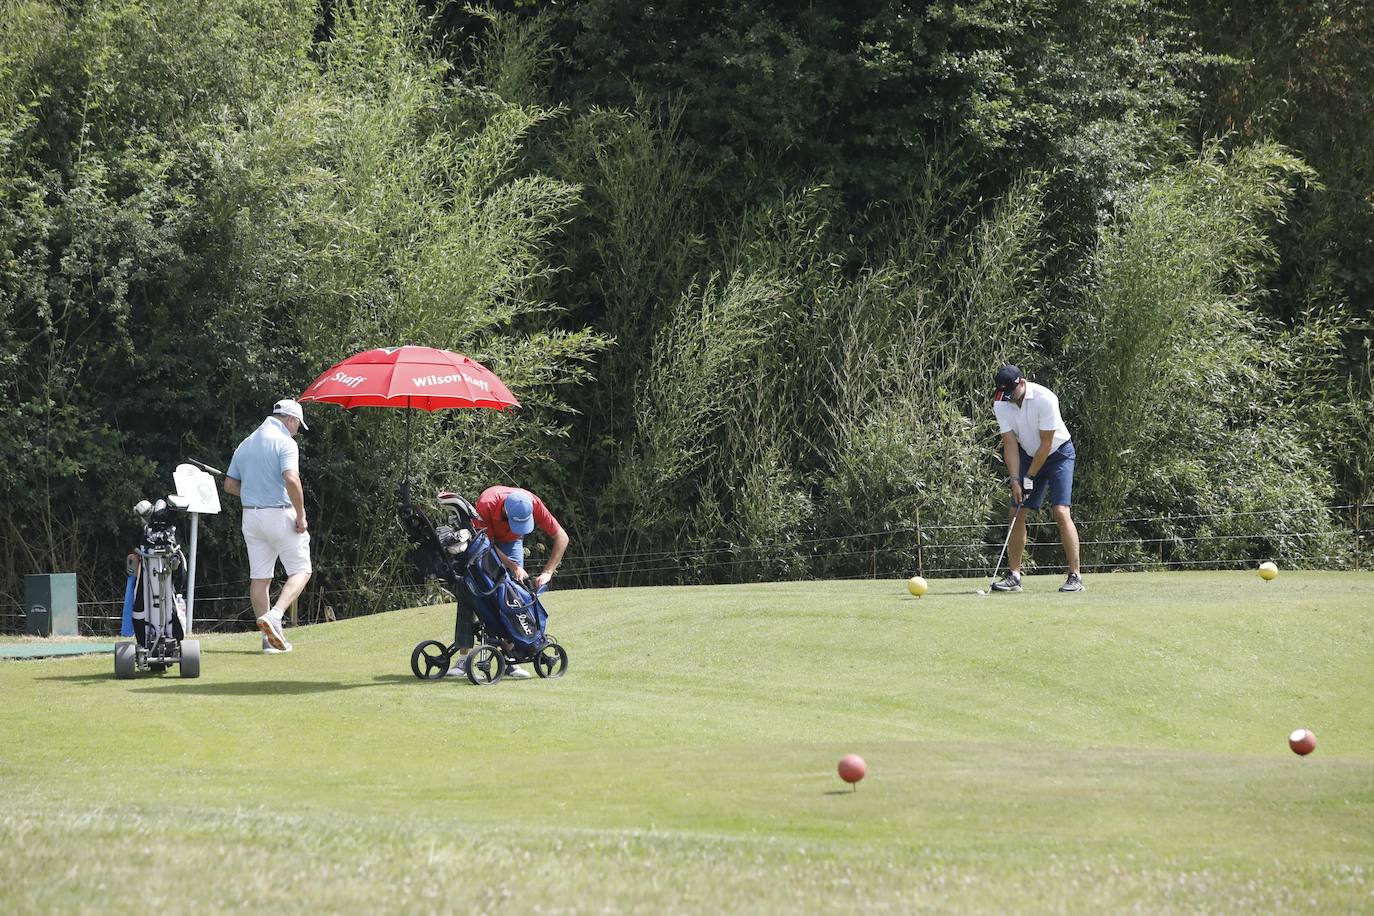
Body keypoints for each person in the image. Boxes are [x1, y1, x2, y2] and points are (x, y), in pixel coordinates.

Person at [449, 485, 568, 679]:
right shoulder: (486, 504)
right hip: (484, 543)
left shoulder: (533, 504)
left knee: (513, 596)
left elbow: (562, 537)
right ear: (505, 510)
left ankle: (510, 659)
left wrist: (548, 572)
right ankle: (464, 658)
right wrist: (514, 567)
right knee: (471, 591)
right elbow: (485, 546)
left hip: (512, 544)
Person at [223, 398, 313, 652]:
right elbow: (291, 479)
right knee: (302, 569)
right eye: (298, 425)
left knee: (260, 578)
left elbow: (230, 485)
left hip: (251, 517)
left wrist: (254, 492)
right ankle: (275, 615)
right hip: (279, 514)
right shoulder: (285, 442)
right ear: (291, 419)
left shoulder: (246, 443)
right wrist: (301, 514)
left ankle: (269, 641)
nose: (297, 430)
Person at [990, 365, 1083, 593]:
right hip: (1028, 454)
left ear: (1022, 383)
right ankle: (1014, 576)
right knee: (1016, 512)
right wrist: (1015, 479)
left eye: (1011, 392)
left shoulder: (1045, 398)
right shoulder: (1001, 403)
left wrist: (1030, 476)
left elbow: (1047, 444)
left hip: (1058, 454)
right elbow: (1010, 444)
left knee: (1060, 511)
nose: (1008, 398)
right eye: (1005, 394)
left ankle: (1075, 576)